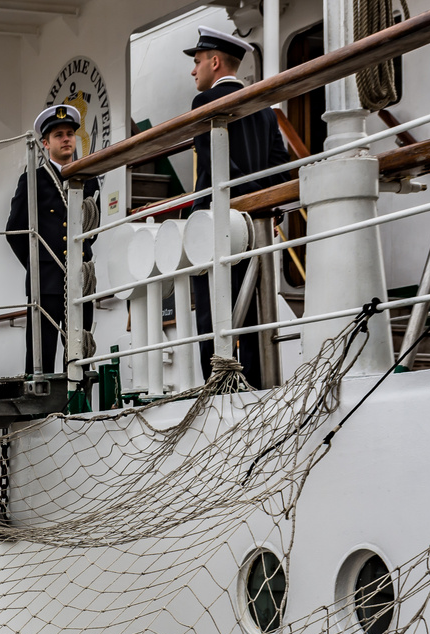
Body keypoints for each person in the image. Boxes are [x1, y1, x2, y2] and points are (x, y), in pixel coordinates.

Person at [185, 25, 293, 387]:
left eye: (197, 61)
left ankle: (219, 390)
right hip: (255, 223)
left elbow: (218, 165)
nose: (193, 70)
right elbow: (281, 165)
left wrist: (245, 194)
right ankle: (258, 386)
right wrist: (264, 204)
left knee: (214, 314)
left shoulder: (205, 103)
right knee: (253, 310)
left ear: (215, 62)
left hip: (217, 222)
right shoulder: (264, 108)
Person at [5, 104, 100, 376]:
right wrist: (38, 264)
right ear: (46, 143)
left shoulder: (89, 180)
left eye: (70, 133)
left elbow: (93, 228)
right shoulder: (33, 181)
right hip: (45, 282)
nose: (67, 138)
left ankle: (79, 406)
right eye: (59, 135)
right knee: (41, 352)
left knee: (80, 349)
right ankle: (42, 409)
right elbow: (14, 230)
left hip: (80, 279)